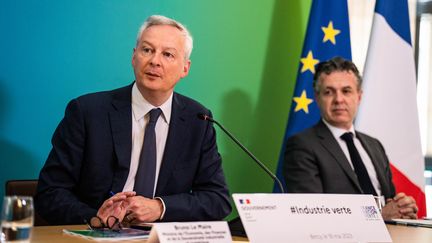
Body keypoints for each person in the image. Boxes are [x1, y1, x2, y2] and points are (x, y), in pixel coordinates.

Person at [35, 15, 231, 225]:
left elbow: (217, 200)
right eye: (147, 50)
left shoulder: (198, 120)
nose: (155, 61)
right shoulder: (88, 112)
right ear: (133, 56)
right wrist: (95, 219)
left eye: (168, 54)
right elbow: (50, 193)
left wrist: (160, 207)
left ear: (185, 68)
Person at [283, 56, 418, 220]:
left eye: (346, 91)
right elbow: (311, 213)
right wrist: (378, 216)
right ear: (317, 99)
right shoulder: (302, 145)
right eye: (328, 92)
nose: (338, 100)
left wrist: (402, 207)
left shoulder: (374, 145)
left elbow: (388, 200)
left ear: (359, 97)